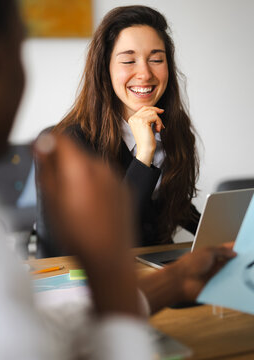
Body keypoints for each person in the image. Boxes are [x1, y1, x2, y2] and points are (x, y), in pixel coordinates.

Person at [0, 1, 235, 359]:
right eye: (22, 49)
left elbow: (34, 331)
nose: (144, 72)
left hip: (128, 288)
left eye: (156, 58)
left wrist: (175, 277)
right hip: (81, 285)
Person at [53, 5, 200, 246]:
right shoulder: (74, 140)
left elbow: (171, 202)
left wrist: (223, 233)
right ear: (105, 68)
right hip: (108, 273)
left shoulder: (174, 126)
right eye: (129, 61)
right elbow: (108, 232)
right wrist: (143, 156)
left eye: (156, 59)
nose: (144, 73)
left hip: (157, 261)